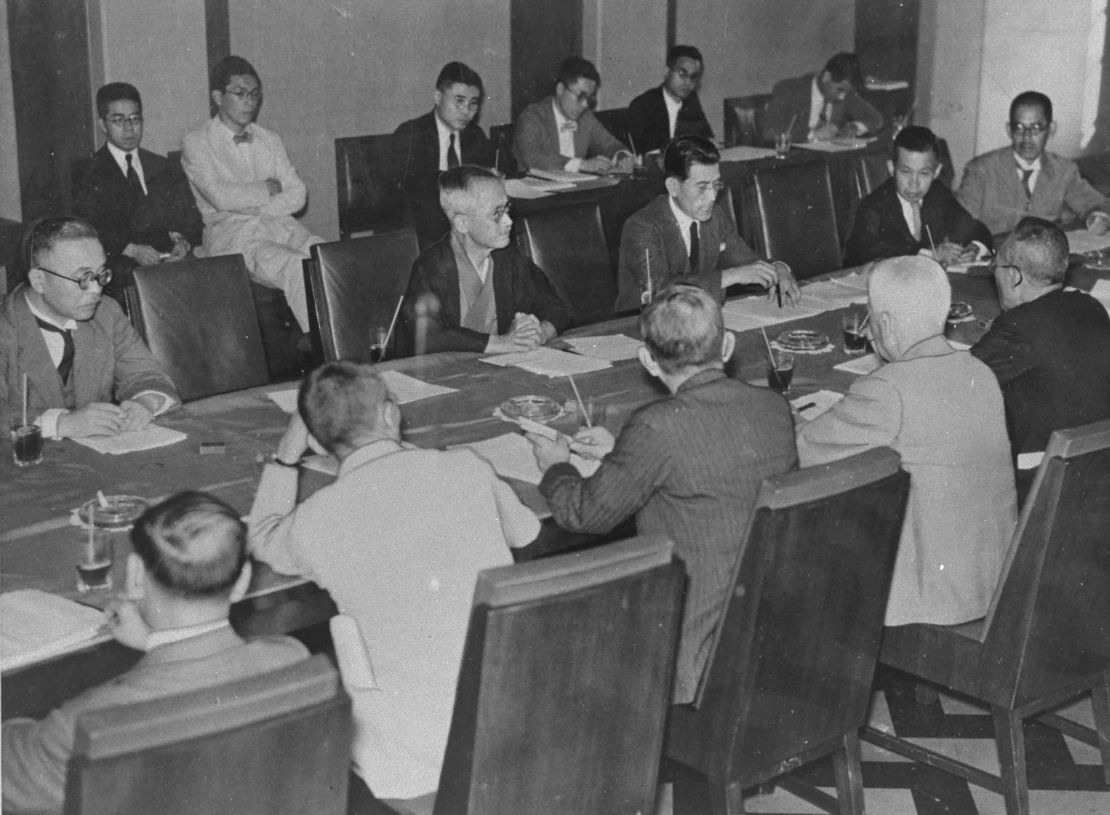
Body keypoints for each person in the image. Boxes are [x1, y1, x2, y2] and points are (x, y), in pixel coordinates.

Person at [248, 361, 539, 805]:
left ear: (314, 437)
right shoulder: (467, 468)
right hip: (511, 721)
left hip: (409, 757)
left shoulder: (318, 518)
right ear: (390, 416)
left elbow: (263, 536)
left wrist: (287, 454)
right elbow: (527, 533)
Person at [527, 285, 798, 703]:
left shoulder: (657, 427)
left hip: (690, 652)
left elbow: (581, 514)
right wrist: (622, 453)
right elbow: (705, 461)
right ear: (726, 346)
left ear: (648, 361)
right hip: (766, 630)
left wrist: (557, 465)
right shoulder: (773, 407)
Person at [2, 491, 308, 815]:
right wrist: (153, 641)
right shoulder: (292, 659)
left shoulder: (87, 722)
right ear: (243, 581)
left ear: (136, 574)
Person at [796, 256, 1017, 626]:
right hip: (996, 586)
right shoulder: (981, 372)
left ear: (883, 323)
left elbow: (806, 448)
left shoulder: (888, 389)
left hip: (934, 604)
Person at [0, 217, 179, 439]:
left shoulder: (106, 312)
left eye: (101, 273)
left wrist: (144, 403)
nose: (96, 289)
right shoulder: (5, 324)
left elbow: (147, 375)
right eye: (83, 278)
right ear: (39, 280)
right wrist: (60, 424)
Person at [182, 55, 323, 334]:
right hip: (234, 239)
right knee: (295, 265)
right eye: (240, 93)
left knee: (327, 254)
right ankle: (323, 347)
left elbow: (298, 195)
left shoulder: (270, 138)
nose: (249, 101)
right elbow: (221, 198)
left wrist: (255, 208)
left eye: (255, 94)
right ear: (218, 97)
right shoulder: (196, 143)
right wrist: (267, 188)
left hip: (280, 226)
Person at [971, 217, 1110, 498]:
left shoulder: (1019, 326)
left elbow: (960, 380)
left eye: (995, 267)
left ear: (1013, 276)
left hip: (1041, 486)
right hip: (1097, 479)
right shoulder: (1091, 306)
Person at [614, 136, 799, 311]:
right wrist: (731, 276)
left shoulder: (715, 216)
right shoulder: (642, 226)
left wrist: (777, 268)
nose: (711, 197)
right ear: (673, 186)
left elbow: (748, 262)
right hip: (641, 325)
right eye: (702, 187)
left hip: (696, 319)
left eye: (716, 185)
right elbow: (660, 292)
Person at [400, 165, 570, 354]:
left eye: (506, 209)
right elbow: (426, 336)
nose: (509, 221)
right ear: (462, 223)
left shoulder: (508, 257)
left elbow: (556, 307)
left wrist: (539, 332)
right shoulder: (432, 266)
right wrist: (502, 343)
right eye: (496, 213)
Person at [72, 82, 203, 305]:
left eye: (135, 119)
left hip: (170, 263)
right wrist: (131, 249)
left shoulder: (164, 166)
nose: (129, 128)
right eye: (118, 120)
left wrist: (183, 241)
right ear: (102, 124)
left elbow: (192, 219)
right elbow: (88, 229)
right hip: (121, 269)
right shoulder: (88, 172)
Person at [957, 91, 1110, 235]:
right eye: (1019, 127)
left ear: (1051, 129)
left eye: (1036, 128)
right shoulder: (981, 170)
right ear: (1009, 130)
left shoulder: (1064, 171)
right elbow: (959, 224)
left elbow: (1100, 204)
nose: (1027, 137)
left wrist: (1098, 217)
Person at [844, 125, 993, 267]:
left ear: (936, 172)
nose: (913, 184)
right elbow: (862, 254)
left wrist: (973, 247)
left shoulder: (938, 194)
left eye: (923, 173)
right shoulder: (874, 205)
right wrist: (928, 255)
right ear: (891, 168)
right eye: (906, 172)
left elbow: (977, 230)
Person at [393, 62, 495, 248]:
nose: (466, 111)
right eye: (459, 101)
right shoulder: (411, 133)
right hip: (420, 226)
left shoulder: (475, 136)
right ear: (438, 97)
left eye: (473, 104)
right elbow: (410, 189)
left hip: (463, 224)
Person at [512, 56, 633, 174]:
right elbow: (532, 159)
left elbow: (610, 145)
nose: (585, 104)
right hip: (537, 191)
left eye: (589, 99)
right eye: (580, 96)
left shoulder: (586, 118)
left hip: (574, 190)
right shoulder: (532, 117)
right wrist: (582, 164)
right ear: (560, 89)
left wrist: (622, 157)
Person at [763, 52, 884, 145]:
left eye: (846, 93)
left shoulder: (845, 93)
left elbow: (876, 119)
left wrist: (854, 127)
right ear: (827, 77)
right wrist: (812, 135)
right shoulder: (791, 90)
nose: (842, 97)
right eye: (839, 90)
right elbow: (770, 132)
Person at [626, 45, 714, 156]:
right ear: (667, 72)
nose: (687, 82)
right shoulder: (643, 105)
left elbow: (705, 138)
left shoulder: (691, 100)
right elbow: (646, 153)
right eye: (682, 74)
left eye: (693, 77)